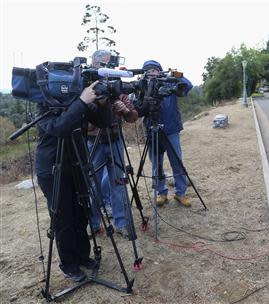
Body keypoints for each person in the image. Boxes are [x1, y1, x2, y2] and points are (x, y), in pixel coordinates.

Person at [35, 79, 106, 282]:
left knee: (81, 212)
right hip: (52, 168)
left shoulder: (78, 100)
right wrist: (81, 102)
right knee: (63, 218)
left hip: (76, 163)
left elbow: (105, 121)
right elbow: (59, 127)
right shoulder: (43, 102)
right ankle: (69, 264)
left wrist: (102, 103)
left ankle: (82, 256)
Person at [87, 50, 138, 237]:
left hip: (115, 141)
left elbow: (133, 116)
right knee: (93, 183)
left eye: (109, 65)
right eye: (101, 64)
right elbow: (79, 117)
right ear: (93, 65)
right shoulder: (88, 88)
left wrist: (124, 110)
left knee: (118, 182)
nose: (105, 68)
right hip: (94, 142)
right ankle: (93, 222)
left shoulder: (117, 88)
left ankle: (121, 223)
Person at [141, 59, 193, 207]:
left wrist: (176, 75)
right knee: (156, 165)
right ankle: (161, 193)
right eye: (148, 71)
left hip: (171, 130)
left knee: (177, 162)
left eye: (154, 70)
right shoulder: (143, 87)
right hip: (152, 130)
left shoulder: (170, 83)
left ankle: (180, 193)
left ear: (160, 71)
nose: (152, 73)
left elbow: (188, 86)